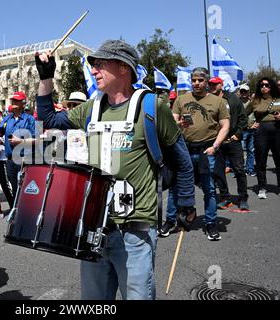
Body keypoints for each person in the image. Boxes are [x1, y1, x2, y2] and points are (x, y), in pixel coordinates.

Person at [36, 39, 195, 300]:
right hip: (92, 229)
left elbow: (182, 161)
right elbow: (48, 120)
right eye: (93, 65)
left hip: (136, 231)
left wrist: (187, 204)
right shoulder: (92, 107)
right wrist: (46, 77)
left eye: (100, 64)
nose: (94, 70)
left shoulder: (152, 107)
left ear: (123, 67)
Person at [161, 67, 230, 241]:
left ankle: (211, 223)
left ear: (207, 82)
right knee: (175, 188)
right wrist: (178, 125)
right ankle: (170, 221)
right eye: (194, 80)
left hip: (207, 150)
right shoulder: (181, 99)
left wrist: (215, 146)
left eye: (200, 80)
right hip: (183, 150)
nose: (196, 83)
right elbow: (172, 121)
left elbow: (225, 126)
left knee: (209, 189)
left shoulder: (218, 102)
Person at [208, 77, 249, 211]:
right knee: (218, 172)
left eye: (215, 84)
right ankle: (225, 198)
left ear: (221, 85)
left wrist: (237, 134)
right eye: (210, 84)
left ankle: (243, 198)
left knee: (239, 170)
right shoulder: (207, 99)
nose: (212, 86)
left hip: (233, 141)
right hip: (216, 142)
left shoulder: (232, 99)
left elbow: (243, 118)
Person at [0, 91, 37, 198]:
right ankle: (15, 212)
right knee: (15, 189)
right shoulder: (7, 118)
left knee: (27, 189)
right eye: (13, 100)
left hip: (25, 160)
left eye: (16, 100)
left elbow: (38, 139)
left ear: (23, 103)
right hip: (10, 160)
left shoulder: (30, 119)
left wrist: (20, 142)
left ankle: (27, 211)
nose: (13, 102)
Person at [246, 77, 280, 198]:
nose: (264, 87)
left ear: (271, 86)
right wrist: (250, 124)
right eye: (261, 85)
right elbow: (243, 114)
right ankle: (262, 187)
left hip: (278, 131)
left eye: (266, 85)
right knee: (261, 161)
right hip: (261, 132)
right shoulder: (255, 100)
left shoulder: (278, 98)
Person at [238, 84, 257, 177]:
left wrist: (256, 123)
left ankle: (250, 169)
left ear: (248, 92)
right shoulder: (236, 103)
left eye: (245, 91)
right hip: (241, 130)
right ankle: (240, 171)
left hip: (252, 130)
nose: (243, 93)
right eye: (242, 91)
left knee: (251, 150)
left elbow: (259, 114)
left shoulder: (253, 103)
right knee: (240, 151)